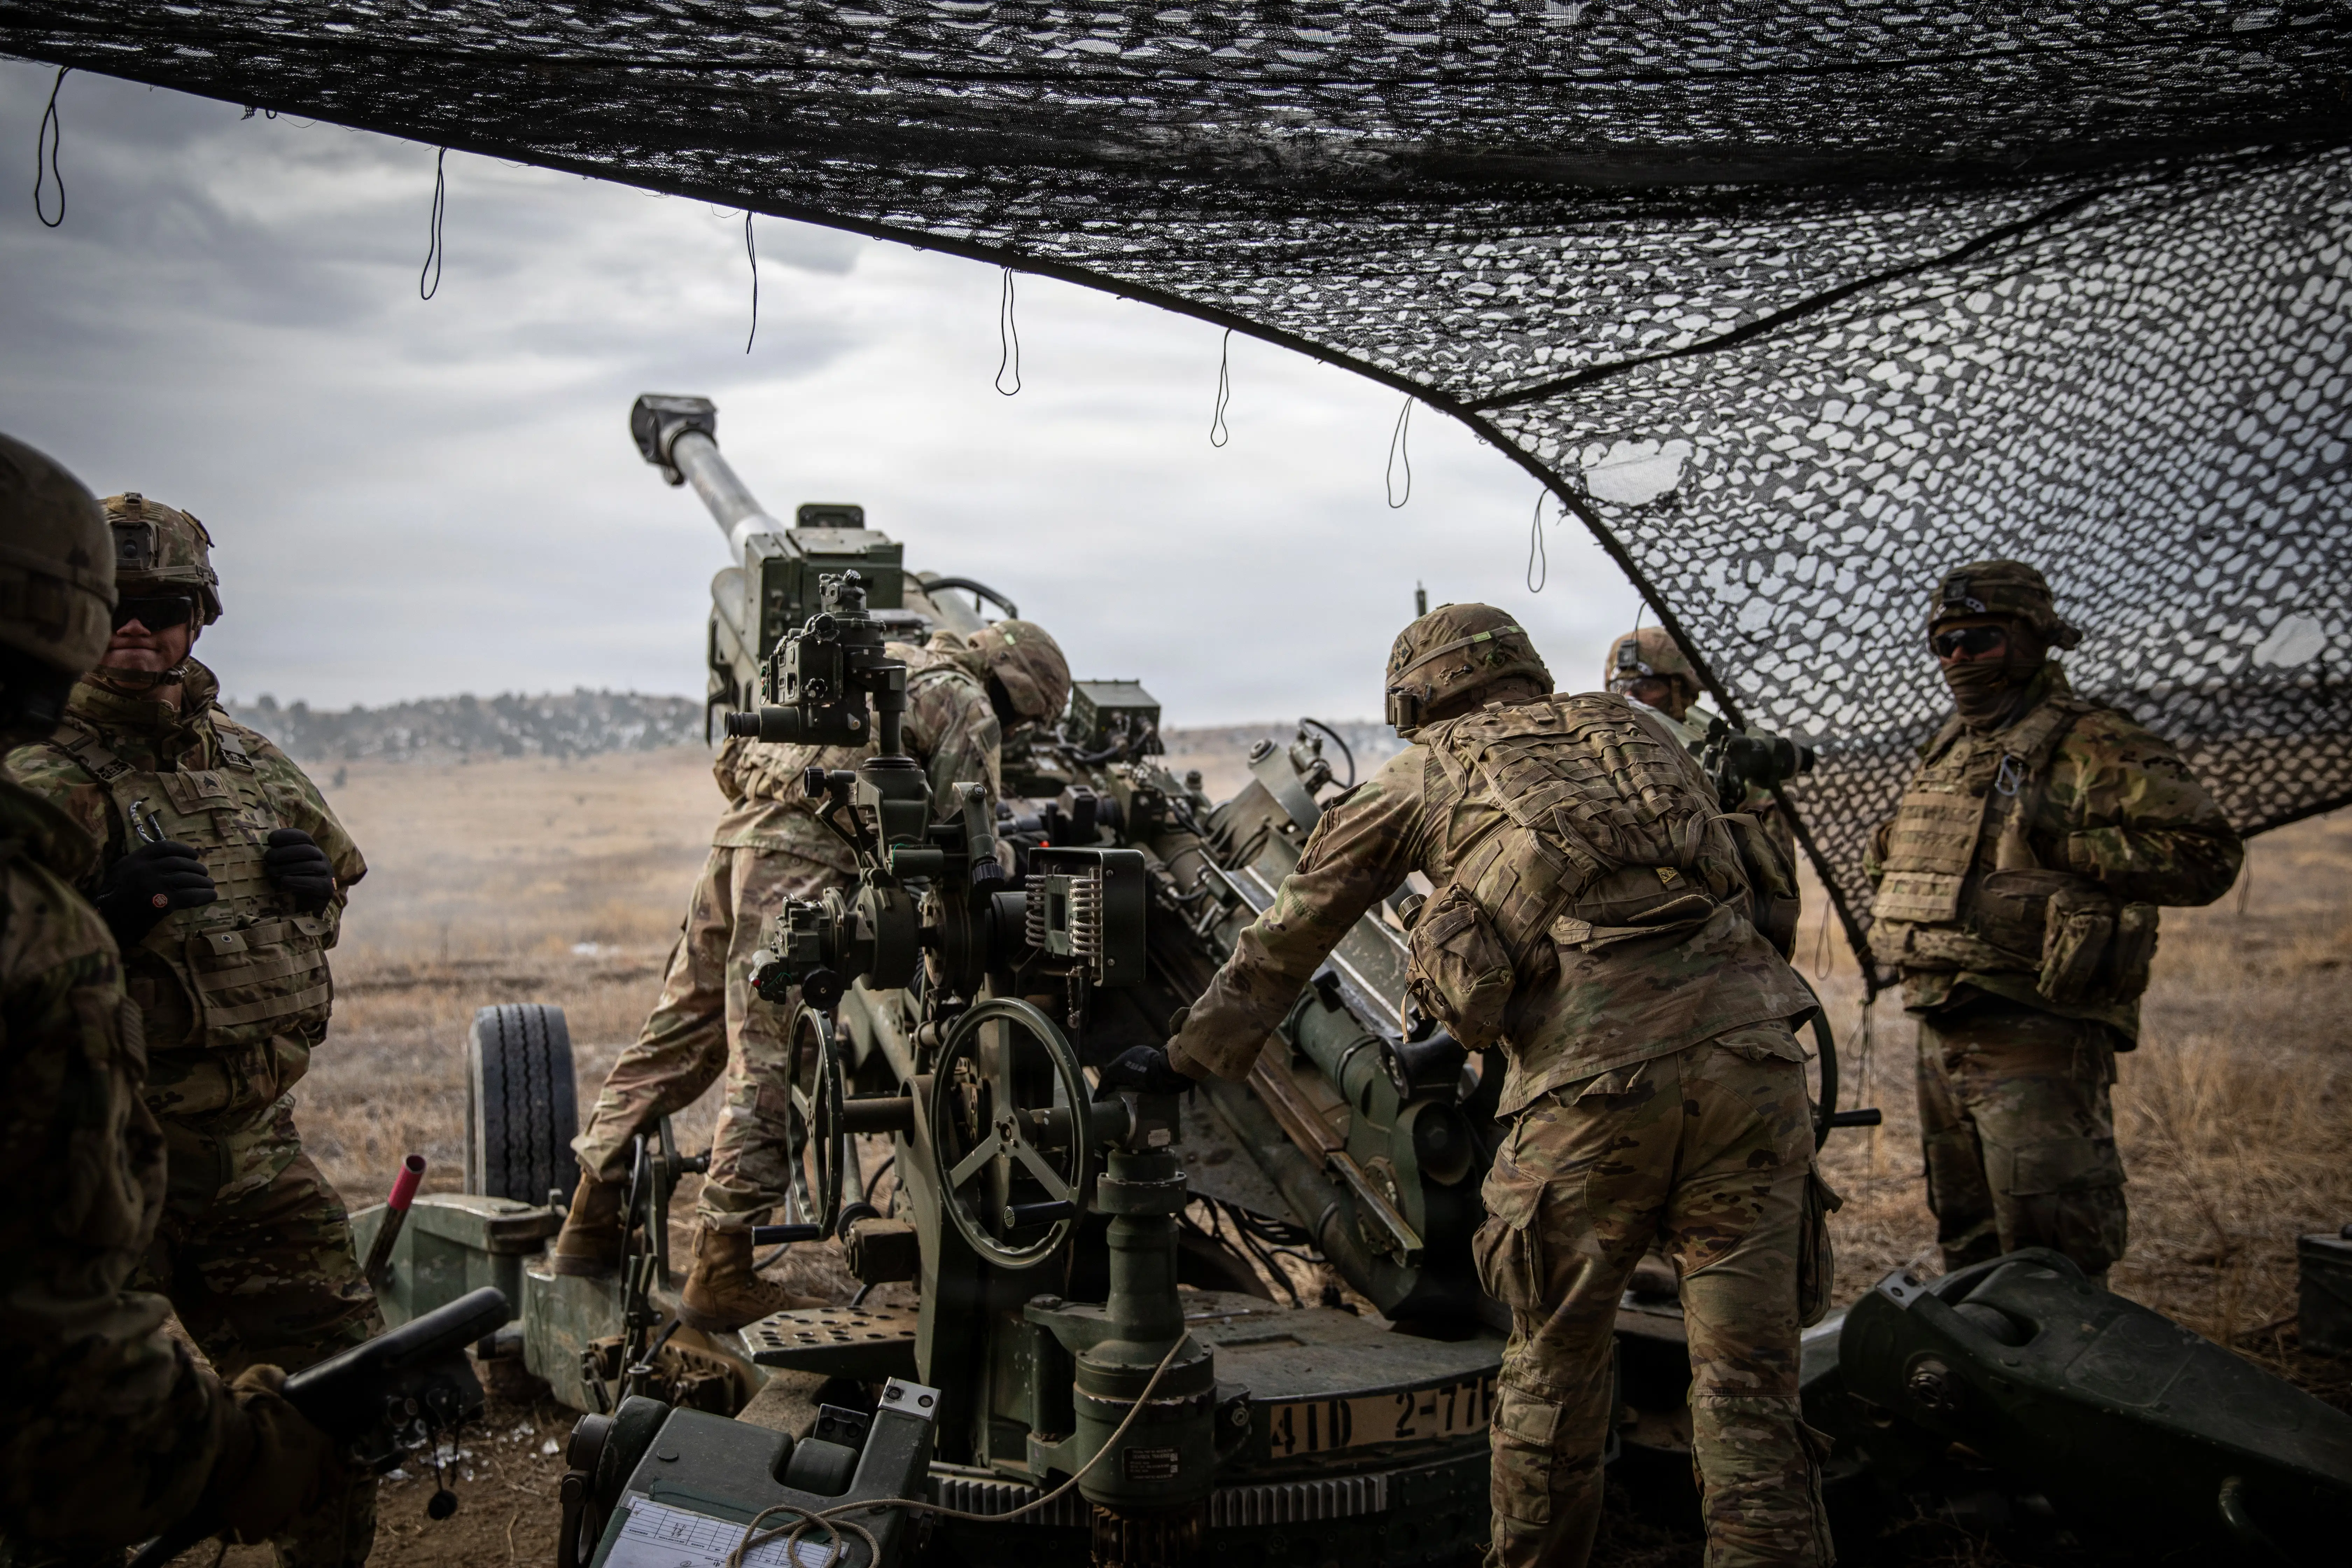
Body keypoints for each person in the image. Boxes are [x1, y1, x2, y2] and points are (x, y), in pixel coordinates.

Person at [1110, 604, 1831, 1567]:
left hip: (1593, 1093)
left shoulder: (1420, 770)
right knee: (1750, 1391)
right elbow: (1758, 897)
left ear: (1417, 697)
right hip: (1757, 1068)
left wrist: (1190, 1057)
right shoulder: (1645, 736)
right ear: (1522, 669)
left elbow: (1292, 932)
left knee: (1554, 1372)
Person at [5, 491, 379, 1568]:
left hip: (256, 1151)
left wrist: (312, 894)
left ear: (199, 619)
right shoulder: (39, 773)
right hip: (102, 1168)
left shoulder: (250, 764)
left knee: (341, 1401)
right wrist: (102, 922)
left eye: (163, 605)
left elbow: (324, 900)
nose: (137, 626)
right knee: (76, 1448)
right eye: (117, 603)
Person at [552, 617, 1072, 1330]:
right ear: (1011, 686)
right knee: (776, 1058)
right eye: (1025, 714)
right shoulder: (963, 702)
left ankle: (588, 1218)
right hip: (801, 875)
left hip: (733, 847)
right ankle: (721, 1267)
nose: (1015, 728)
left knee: (678, 1034)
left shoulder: (869, 659)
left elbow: (732, 760)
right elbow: (963, 839)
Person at [1867, 560, 2241, 1283]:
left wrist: (2072, 846)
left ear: (2034, 639)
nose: (1957, 659)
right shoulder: (1950, 746)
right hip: (1941, 1020)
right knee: (1967, 1241)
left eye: (1978, 639)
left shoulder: (2092, 742)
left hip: (2037, 1025)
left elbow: (2209, 855)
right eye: (1942, 644)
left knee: (2051, 1256)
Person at [1605, 624, 1801, 876]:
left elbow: (1775, 887)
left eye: (1646, 686)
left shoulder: (1730, 767)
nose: (1630, 698)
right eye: (1620, 687)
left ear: (1681, 692)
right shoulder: (1597, 760)